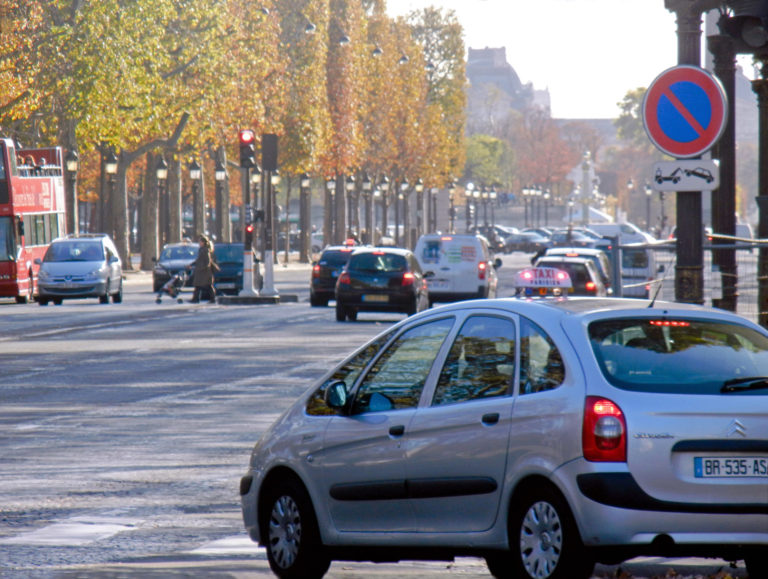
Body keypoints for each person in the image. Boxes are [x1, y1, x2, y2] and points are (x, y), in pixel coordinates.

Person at [190, 235, 217, 303]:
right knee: (198, 286)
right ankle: (195, 299)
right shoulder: (201, 250)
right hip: (200, 272)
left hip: (205, 272)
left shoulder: (206, 250)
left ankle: (212, 299)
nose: (199, 243)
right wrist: (191, 264)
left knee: (208, 286)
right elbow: (198, 260)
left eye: (200, 241)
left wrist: (202, 268)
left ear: (204, 242)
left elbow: (207, 262)